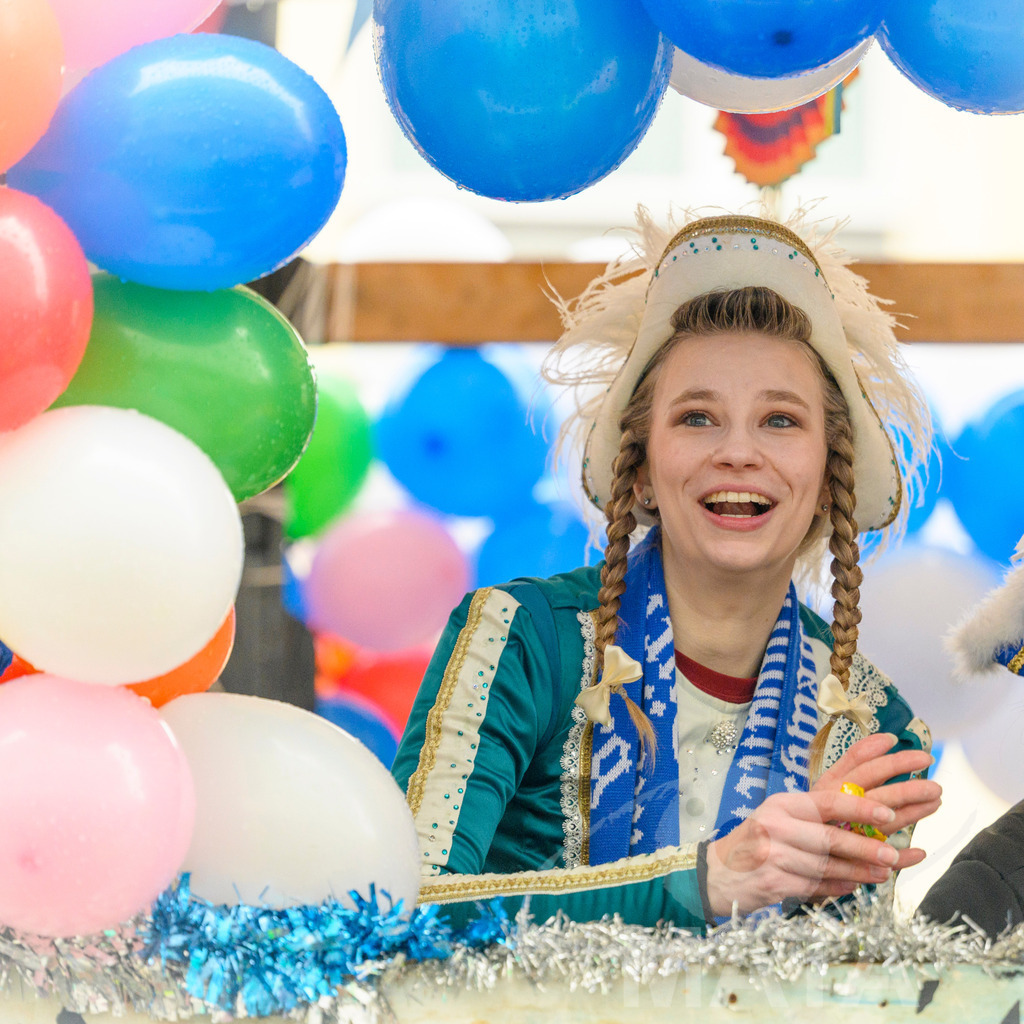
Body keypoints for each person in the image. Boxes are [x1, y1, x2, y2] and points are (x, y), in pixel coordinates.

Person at [391, 207, 942, 932]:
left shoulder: (875, 730)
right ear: (643, 474)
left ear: (828, 480)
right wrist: (707, 882)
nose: (739, 451)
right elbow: (401, 909)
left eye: (780, 420)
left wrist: (819, 904)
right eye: (696, 417)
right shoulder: (521, 641)